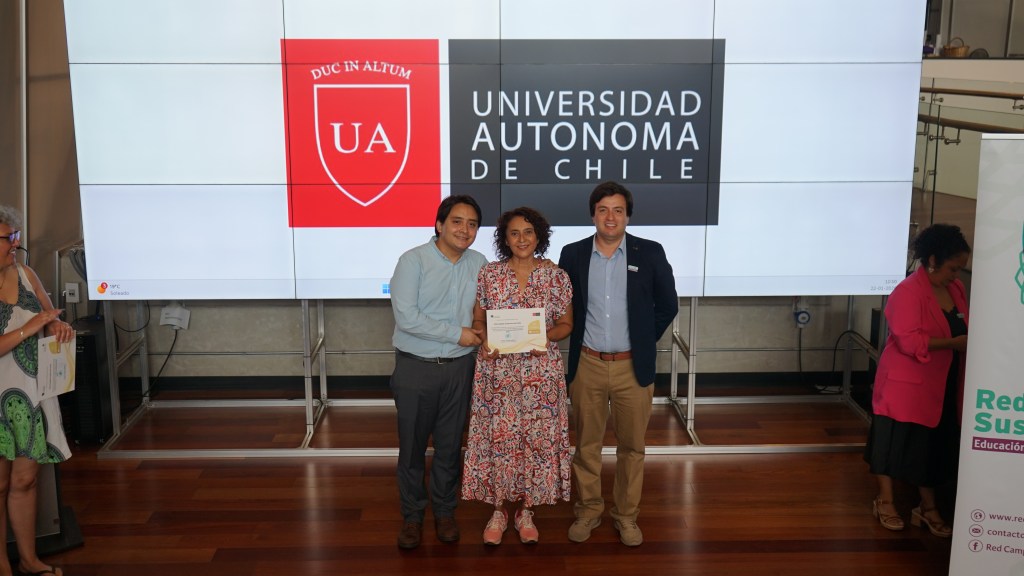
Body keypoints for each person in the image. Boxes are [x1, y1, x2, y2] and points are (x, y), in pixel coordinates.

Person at [557, 181, 678, 546]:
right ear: (593, 214)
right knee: (587, 446)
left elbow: (667, 304)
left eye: (618, 210)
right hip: (588, 364)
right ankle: (589, 511)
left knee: (632, 448)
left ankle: (626, 516)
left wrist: (641, 340)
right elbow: (564, 306)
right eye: (603, 210)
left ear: (627, 215)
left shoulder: (651, 252)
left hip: (632, 367)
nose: (610, 217)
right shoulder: (572, 253)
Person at [461, 207, 573, 545]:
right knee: (499, 437)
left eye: (528, 232)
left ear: (538, 236)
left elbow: (566, 324)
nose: (521, 239)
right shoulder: (489, 275)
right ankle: (498, 509)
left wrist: (546, 337)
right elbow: (479, 320)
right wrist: (485, 339)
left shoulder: (556, 276)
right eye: (514, 233)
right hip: (498, 373)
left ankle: (526, 510)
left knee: (534, 439)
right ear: (504, 238)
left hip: (542, 373)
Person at [388, 195, 488, 550]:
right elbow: (407, 317)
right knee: (413, 448)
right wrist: (457, 333)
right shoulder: (412, 261)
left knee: (449, 447)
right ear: (439, 225)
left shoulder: (480, 263)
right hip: (416, 368)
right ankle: (413, 516)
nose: (465, 230)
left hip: (461, 369)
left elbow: (488, 310)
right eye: (457, 221)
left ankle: (445, 512)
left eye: (472, 224)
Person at [865, 223, 971, 539]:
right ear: (933, 260)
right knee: (892, 443)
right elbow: (910, 342)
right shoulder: (907, 292)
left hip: (943, 381)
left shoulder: (956, 290)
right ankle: (885, 501)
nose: (957, 275)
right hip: (904, 383)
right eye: (954, 268)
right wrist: (954, 344)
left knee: (932, 445)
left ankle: (926, 508)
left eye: (961, 269)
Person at [0, 206, 75, 576]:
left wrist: (56, 328)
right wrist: (33, 327)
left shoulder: (26, 273)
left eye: (16, 237)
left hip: (31, 394)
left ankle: (29, 561)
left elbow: (50, 318)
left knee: (25, 480)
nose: (15, 244)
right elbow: (33, 325)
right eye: (7, 238)